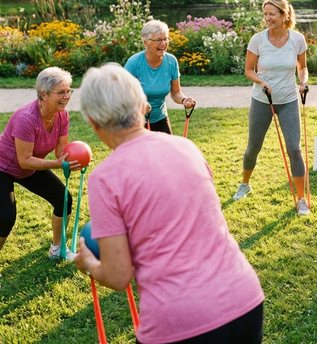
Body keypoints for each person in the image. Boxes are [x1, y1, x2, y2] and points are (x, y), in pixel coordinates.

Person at [75, 64, 264, 344]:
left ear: (92, 121)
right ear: (142, 104)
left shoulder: (104, 178)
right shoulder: (186, 147)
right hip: (245, 300)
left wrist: (89, 263)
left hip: (180, 322)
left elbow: (117, 276)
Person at [233, 0, 310, 216]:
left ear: (284, 15)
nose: (267, 18)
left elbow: (302, 67)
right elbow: (249, 70)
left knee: (294, 148)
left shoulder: (297, 39)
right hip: (262, 100)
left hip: (288, 100)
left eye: (272, 14)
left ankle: (301, 199)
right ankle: (245, 184)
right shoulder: (257, 40)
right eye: (265, 14)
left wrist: (303, 82)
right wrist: (261, 81)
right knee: (253, 148)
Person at [0, 67, 83, 260]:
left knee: (64, 199)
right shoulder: (26, 118)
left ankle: (57, 249)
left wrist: (78, 158)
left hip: (29, 167)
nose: (67, 96)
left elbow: (61, 150)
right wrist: (56, 164)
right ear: (44, 94)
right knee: (5, 216)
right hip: (3, 168)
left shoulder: (61, 115)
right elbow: (25, 160)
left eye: (68, 91)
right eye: (61, 92)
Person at [125, 19, 195, 134]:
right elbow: (123, 95)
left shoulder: (171, 62)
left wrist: (184, 100)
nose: (163, 44)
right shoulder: (134, 63)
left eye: (165, 39)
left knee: (167, 151)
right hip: (134, 120)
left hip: (160, 117)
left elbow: (176, 92)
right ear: (145, 42)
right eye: (158, 40)